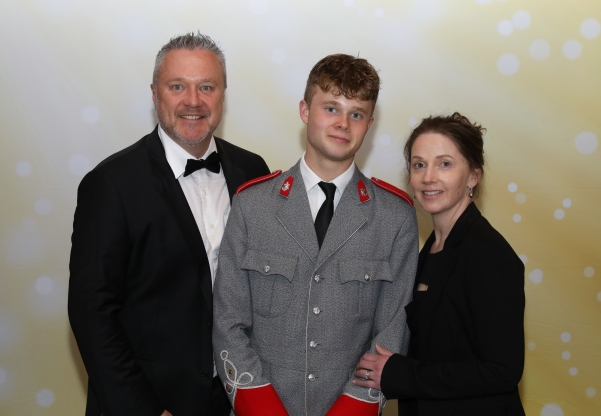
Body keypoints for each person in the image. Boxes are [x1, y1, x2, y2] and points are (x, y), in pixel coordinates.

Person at [68, 32, 270, 416]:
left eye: (206, 87)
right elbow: (92, 313)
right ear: (154, 94)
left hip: (236, 400)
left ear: (223, 95)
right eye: (177, 86)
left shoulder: (253, 170)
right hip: (149, 402)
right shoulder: (111, 184)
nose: (193, 101)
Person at [212, 54, 419, 416]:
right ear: (305, 110)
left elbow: (391, 333)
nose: (343, 124)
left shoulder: (394, 217)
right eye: (331, 108)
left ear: (369, 125)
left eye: (356, 114)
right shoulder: (252, 205)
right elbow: (228, 322)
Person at [354, 112, 526, 415]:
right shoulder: (432, 248)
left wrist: (400, 375)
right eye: (419, 165)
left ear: (473, 176)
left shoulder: (488, 254)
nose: (428, 177)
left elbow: (502, 370)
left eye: (444, 164)